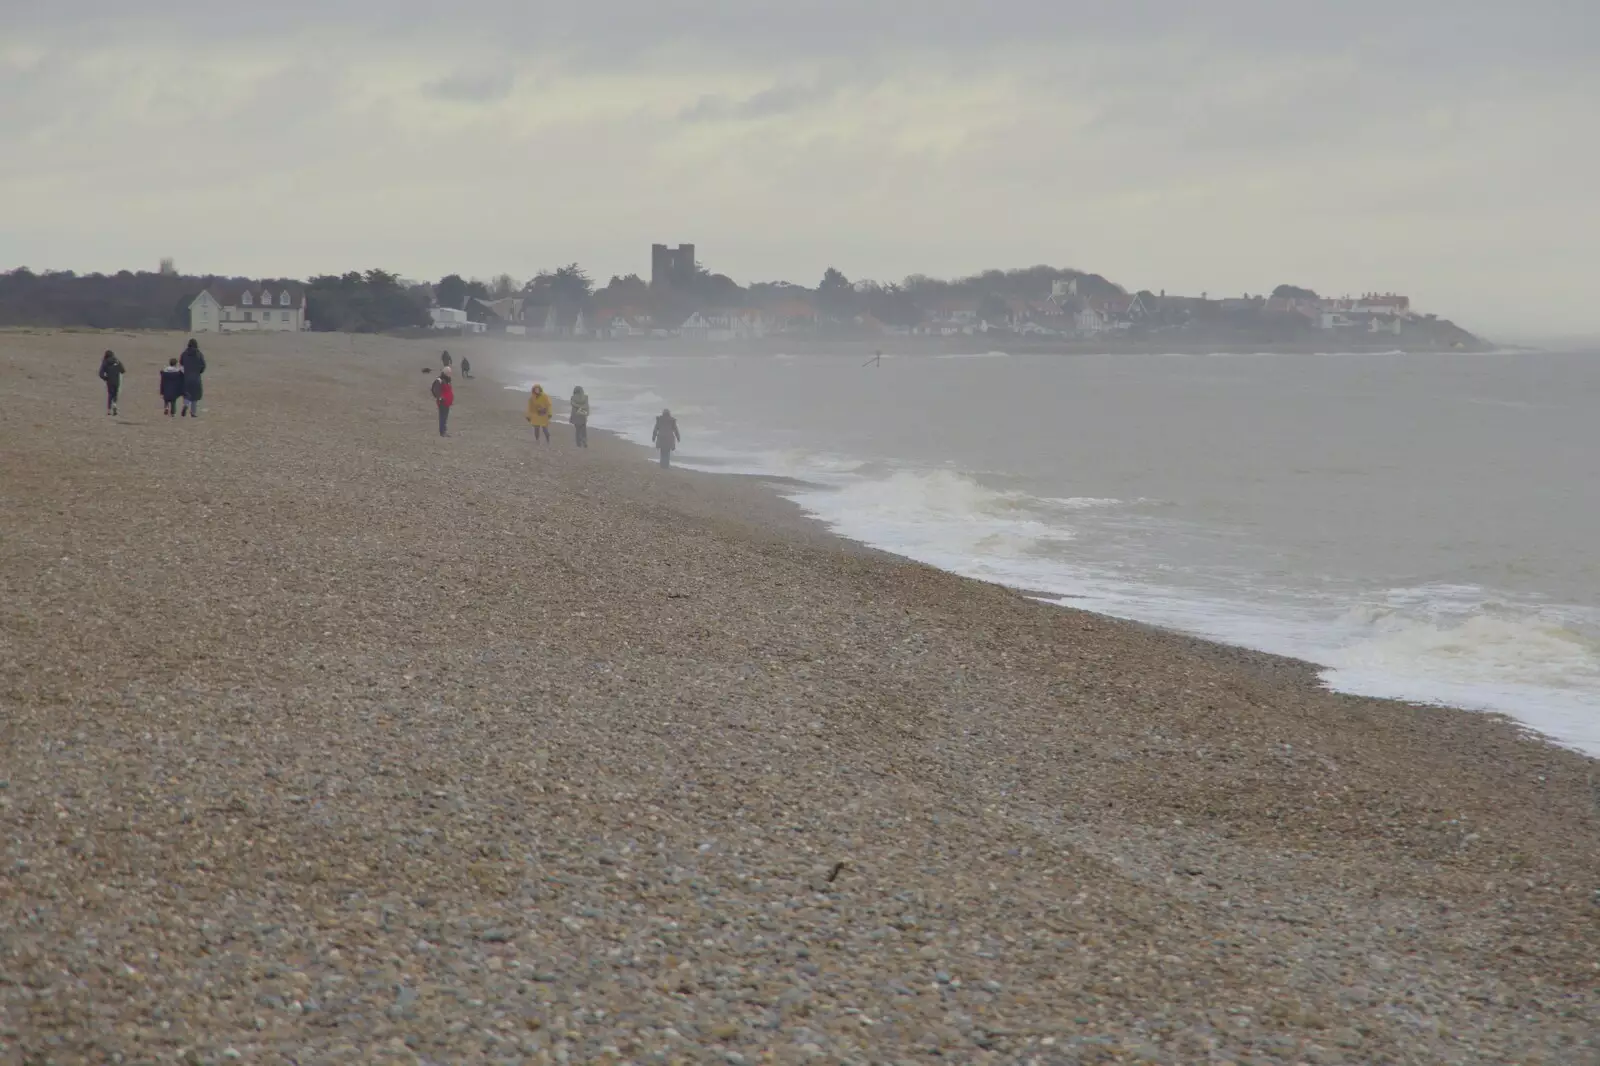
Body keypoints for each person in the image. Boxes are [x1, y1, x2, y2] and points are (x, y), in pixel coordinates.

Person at [178, 338, 206, 417]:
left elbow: (181, 363)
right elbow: (203, 365)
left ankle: (186, 405)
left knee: (187, 393)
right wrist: (199, 371)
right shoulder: (199, 354)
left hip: (186, 377)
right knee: (195, 395)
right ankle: (193, 413)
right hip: (196, 377)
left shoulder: (184, 353)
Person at [98, 350, 125, 416]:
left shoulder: (105, 362)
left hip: (109, 380)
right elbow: (123, 370)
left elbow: (101, 373)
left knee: (110, 394)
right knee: (115, 393)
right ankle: (115, 404)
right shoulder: (117, 361)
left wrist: (105, 378)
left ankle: (109, 409)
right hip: (117, 380)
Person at [431, 366, 454, 436]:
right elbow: (435, 389)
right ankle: (442, 432)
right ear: (445, 372)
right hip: (443, 402)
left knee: (445, 417)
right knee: (442, 417)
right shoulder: (439, 380)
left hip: (447, 402)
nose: (450, 374)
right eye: (449, 373)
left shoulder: (447, 380)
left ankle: (444, 431)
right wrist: (440, 398)